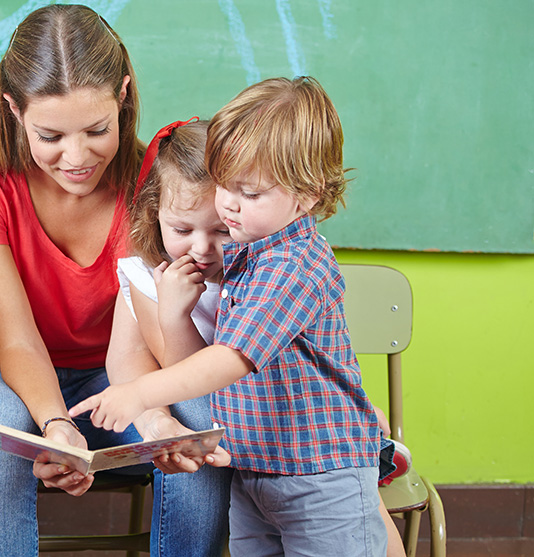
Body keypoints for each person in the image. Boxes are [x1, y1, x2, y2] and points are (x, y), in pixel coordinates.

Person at [0, 5, 231, 556]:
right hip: (9, 384)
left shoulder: (152, 185)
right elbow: (17, 340)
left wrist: (155, 414)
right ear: (13, 110)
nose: (76, 157)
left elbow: (152, 344)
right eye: (50, 135)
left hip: (117, 382)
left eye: (96, 130)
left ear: (123, 95)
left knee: (198, 424)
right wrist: (54, 426)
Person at [71, 76, 388, 555]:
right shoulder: (250, 254)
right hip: (258, 471)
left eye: (251, 193)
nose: (231, 206)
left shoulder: (293, 264)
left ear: (309, 194)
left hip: (320, 474)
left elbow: (229, 360)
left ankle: (381, 452)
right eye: (227, 186)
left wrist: (138, 393)